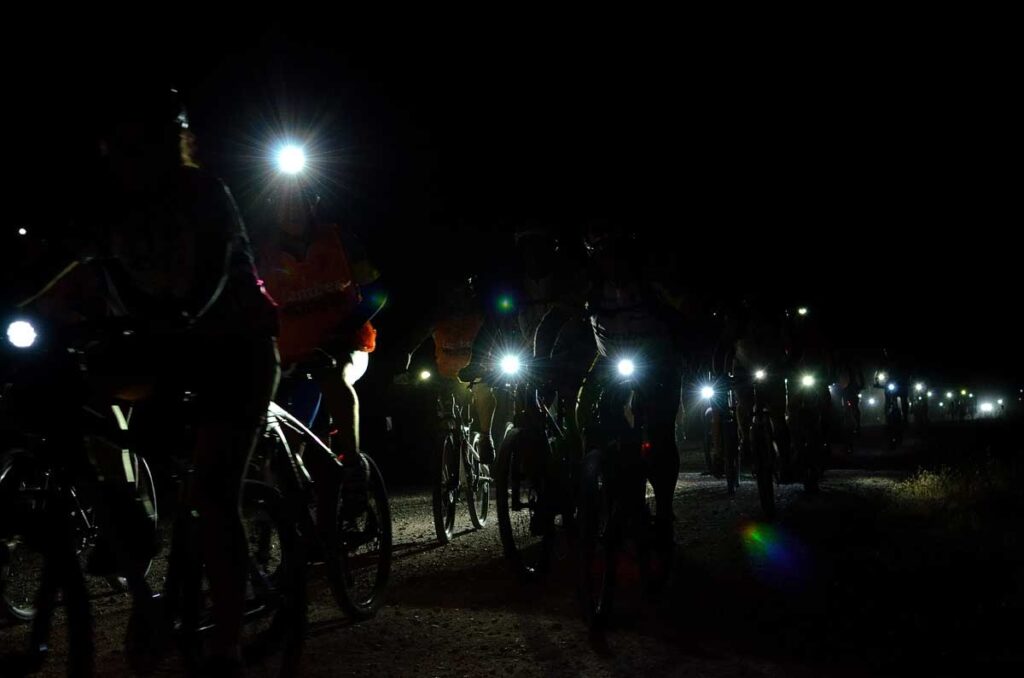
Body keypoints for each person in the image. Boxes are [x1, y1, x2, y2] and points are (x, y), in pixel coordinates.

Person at [12, 86, 279, 673]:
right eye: (121, 148)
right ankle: (125, 514)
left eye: (147, 144)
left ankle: (225, 645)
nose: (132, 160)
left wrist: (181, 320)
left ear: (173, 143)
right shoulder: (105, 207)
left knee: (212, 493)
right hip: (161, 349)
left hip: (234, 348)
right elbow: (64, 267)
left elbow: (213, 272)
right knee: (66, 398)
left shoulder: (205, 194)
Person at [256, 178, 383, 541]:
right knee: (279, 436)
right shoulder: (263, 253)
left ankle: (355, 466)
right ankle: (297, 513)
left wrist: (345, 330)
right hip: (294, 358)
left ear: (313, 202)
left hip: (346, 346)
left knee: (334, 376)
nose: (291, 209)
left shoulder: (340, 240)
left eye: (297, 201)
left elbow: (376, 292)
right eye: (283, 202)